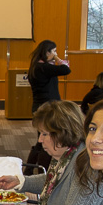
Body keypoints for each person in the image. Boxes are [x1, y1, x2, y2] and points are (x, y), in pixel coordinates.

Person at [25, 40, 71, 173]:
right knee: (46, 140)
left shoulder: (37, 66)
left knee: (41, 140)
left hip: (40, 106)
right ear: (46, 52)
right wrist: (57, 58)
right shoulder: (43, 67)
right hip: (47, 108)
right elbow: (66, 69)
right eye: (54, 51)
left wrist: (53, 58)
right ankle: (42, 171)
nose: (56, 54)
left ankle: (30, 170)